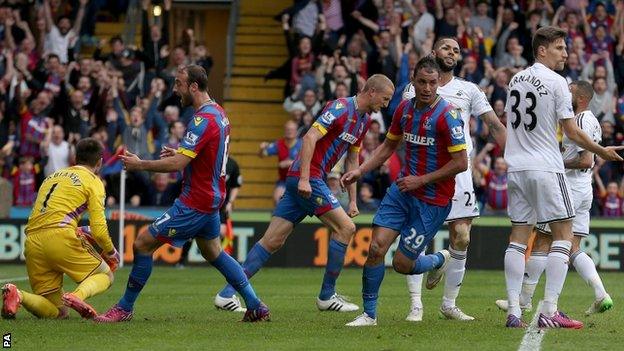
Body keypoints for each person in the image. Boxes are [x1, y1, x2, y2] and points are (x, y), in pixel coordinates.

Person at [95, 65, 270, 323]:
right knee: (213, 252)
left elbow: (179, 166)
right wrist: (179, 154)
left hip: (196, 200)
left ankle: (124, 307)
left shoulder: (202, 120)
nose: (175, 89)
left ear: (193, 87)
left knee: (143, 243)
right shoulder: (219, 113)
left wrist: (140, 164)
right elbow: (201, 157)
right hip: (211, 197)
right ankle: (255, 304)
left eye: (178, 84)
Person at [214, 74, 395, 313]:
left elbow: (352, 159)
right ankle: (327, 296)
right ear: (371, 91)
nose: (386, 104)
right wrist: (305, 179)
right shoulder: (340, 108)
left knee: (272, 240)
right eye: (385, 98)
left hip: (307, 180)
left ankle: (226, 294)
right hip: (309, 177)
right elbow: (309, 137)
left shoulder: (362, 122)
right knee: (346, 229)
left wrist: (352, 199)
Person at [501, 26, 622, 329]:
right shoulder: (556, 82)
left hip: (515, 167)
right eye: (559, 48)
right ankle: (550, 310)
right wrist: (601, 151)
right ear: (542, 50)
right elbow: (570, 131)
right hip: (545, 167)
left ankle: (514, 310)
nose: (565, 53)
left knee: (518, 238)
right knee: (564, 237)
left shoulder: (515, 80)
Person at [343, 56, 469, 327]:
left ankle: (439, 259)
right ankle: (369, 314)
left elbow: (461, 163)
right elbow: (388, 147)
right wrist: (360, 171)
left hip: (433, 200)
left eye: (432, 83)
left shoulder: (448, 116)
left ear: (438, 83)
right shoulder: (403, 109)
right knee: (376, 248)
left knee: (402, 264)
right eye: (422, 82)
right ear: (413, 81)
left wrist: (421, 180)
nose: (427, 88)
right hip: (402, 192)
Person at [401, 38, 507, 322]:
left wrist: (516, 158)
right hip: (423, 170)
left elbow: (495, 125)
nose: (452, 53)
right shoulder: (413, 90)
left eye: (457, 50)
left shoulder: (469, 90)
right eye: (446, 48)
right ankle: (415, 305)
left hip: (459, 171)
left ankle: (448, 304)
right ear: (434, 53)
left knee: (461, 236)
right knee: (417, 238)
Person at [495, 80, 613, 317]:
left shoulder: (579, 120)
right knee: (572, 246)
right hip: (583, 189)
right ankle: (601, 294)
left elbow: (585, 160)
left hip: (567, 187)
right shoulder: (592, 120)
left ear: (580, 99)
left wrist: (554, 162)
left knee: (542, 242)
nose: (564, 94)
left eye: (569, 92)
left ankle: (524, 300)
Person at [2, 138, 119, 320]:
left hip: (32, 241)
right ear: (100, 162)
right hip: (60, 236)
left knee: (59, 312)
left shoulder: (52, 177)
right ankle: (77, 296)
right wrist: (111, 252)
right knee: (106, 276)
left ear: (74, 158)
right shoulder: (93, 181)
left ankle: (18, 294)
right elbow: (99, 228)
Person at [259, 120, 302, 205]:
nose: (289, 131)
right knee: (277, 198)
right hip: (284, 180)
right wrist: (261, 148)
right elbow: (262, 155)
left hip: (299, 180)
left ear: (296, 131)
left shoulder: (302, 144)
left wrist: (291, 163)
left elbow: (308, 160)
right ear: (284, 131)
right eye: (288, 129)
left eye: (292, 129)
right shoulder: (279, 144)